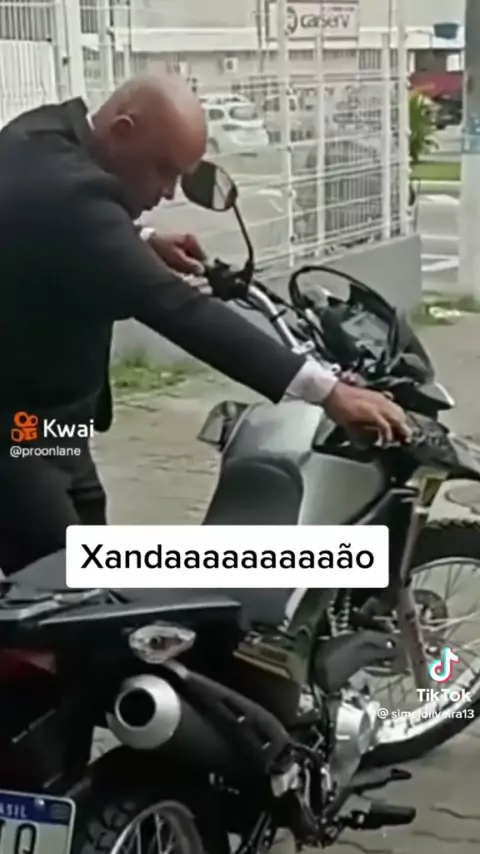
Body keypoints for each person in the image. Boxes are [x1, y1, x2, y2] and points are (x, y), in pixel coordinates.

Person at [0, 73, 408, 575]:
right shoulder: (72, 195)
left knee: (92, 571)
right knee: (60, 590)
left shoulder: (42, 136)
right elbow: (178, 309)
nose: (168, 191)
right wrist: (328, 392)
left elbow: (50, 218)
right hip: (17, 438)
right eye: (163, 170)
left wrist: (138, 237)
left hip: (50, 425)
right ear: (122, 131)